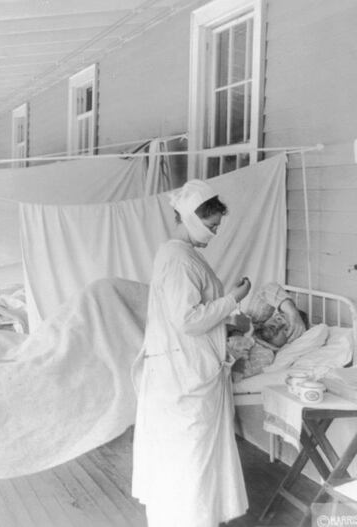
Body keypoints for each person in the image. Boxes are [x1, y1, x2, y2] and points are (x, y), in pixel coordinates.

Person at [131, 179, 251, 527]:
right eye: (212, 227)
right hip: (182, 375)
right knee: (188, 459)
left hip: (183, 366)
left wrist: (226, 324)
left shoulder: (181, 255)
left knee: (188, 459)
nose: (215, 234)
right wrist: (233, 299)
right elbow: (187, 319)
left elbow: (185, 316)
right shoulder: (179, 258)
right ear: (194, 220)